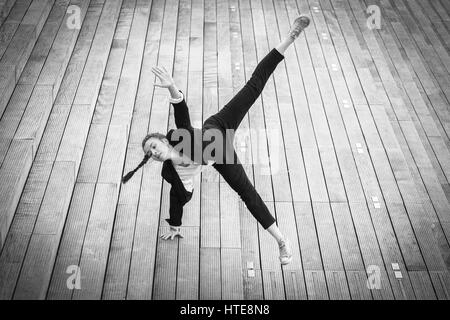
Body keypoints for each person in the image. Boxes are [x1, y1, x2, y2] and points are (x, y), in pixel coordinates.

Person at [122, 16, 310, 265]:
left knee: (253, 87)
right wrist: (175, 225)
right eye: (150, 153)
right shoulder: (172, 172)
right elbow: (176, 199)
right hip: (222, 158)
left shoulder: (179, 137)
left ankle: (290, 37)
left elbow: (182, 116)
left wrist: (172, 88)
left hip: (218, 127)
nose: (153, 152)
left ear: (163, 141)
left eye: (154, 146)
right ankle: (282, 241)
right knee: (248, 193)